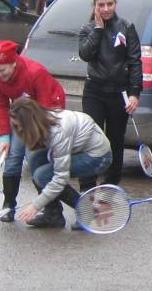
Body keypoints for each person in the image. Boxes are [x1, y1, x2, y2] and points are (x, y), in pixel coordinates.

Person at [0, 40, 68, 223]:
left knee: (34, 159)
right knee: (13, 156)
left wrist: (34, 136)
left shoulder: (35, 73)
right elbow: (0, 103)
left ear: (14, 62)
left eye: (2, 70)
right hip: (21, 112)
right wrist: (4, 136)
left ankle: (53, 211)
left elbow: (45, 106)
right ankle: (8, 206)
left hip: (46, 110)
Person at [8, 96, 113, 228]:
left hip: (98, 156)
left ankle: (87, 211)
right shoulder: (43, 120)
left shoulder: (58, 131)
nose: (18, 130)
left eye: (19, 126)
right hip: (80, 148)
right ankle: (53, 214)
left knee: (43, 176)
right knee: (35, 159)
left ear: (29, 123)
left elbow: (60, 178)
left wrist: (35, 205)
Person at [77, 0, 142, 184]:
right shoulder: (87, 29)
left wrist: (134, 93)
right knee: (91, 139)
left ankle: (110, 187)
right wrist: (97, 29)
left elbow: (135, 62)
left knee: (115, 141)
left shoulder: (126, 27)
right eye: (101, 5)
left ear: (115, 4)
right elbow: (85, 54)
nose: (105, 9)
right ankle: (87, 188)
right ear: (94, 6)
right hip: (94, 92)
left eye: (109, 4)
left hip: (119, 93)